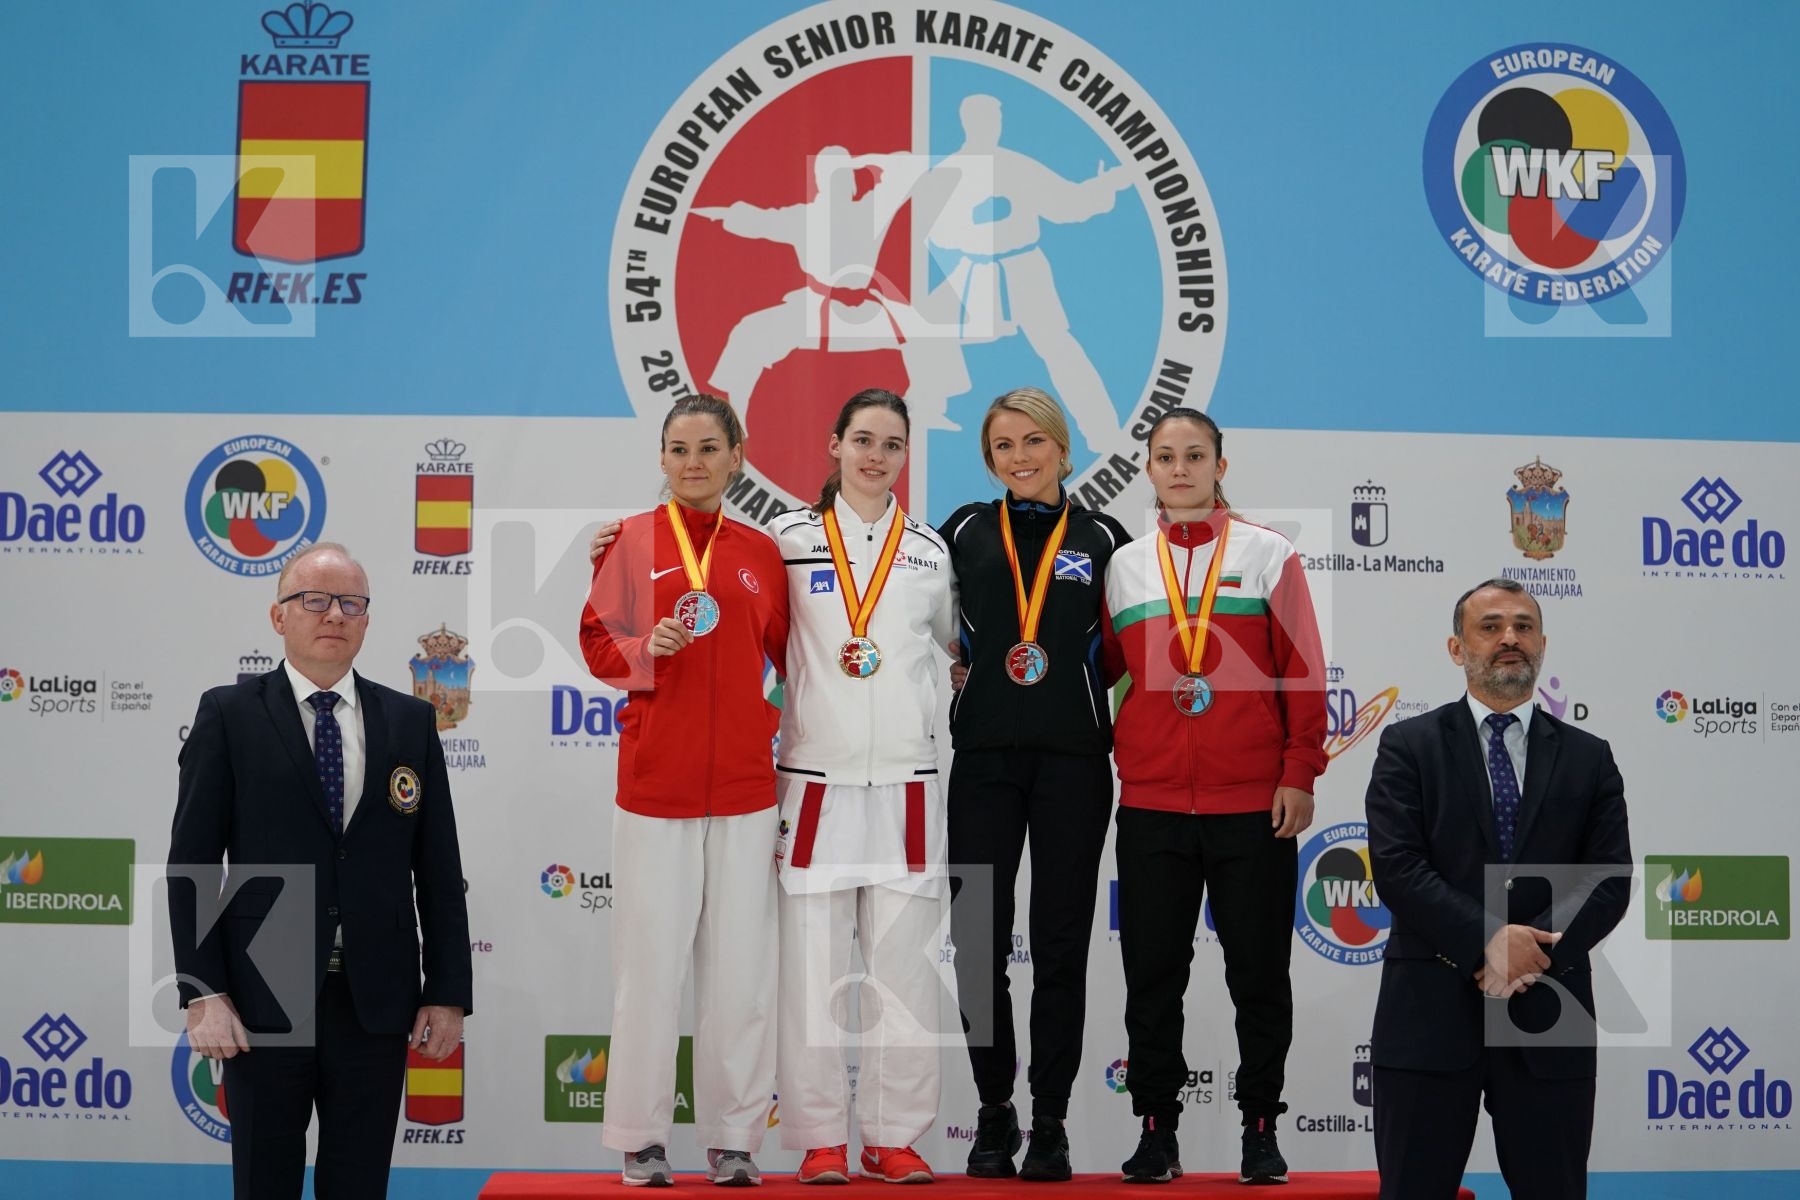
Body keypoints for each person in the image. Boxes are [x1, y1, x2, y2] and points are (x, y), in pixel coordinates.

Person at [169, 543, 472, 1200]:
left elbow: (439, 868)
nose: (333, 614)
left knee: (359, 1184)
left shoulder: (411, 720)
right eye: (314, 599)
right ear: (279, 617)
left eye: (350, 603)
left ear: (366, 619)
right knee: (264, 1182)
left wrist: (446, 991)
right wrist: (201, 991)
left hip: (377, 999)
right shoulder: (229, 714)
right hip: (261, 993)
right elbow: (190, 863)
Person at [1101, 408, 1327, 1185]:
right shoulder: (1127, 564)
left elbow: (1304, 674)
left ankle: (1260, 1128)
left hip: (1251, 804)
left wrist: (1299, 771)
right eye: (1166, 456)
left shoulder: (1269, 555)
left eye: (1195, 455)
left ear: (1220, 465)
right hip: (1154, 804)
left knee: (1259, 977)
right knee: (1153, 980)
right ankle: (1156, 1131)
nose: (1181, 468)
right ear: (1150, 470)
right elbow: (1095, 671)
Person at [578, 394, 791, 1188]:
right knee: (649, 970)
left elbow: (792, 662)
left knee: (741, 974)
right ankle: (641, 1135)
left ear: (737, 455)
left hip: (744, 788)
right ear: (662, 459)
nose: (694, 462)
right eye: (678, 449)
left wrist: (755, 722)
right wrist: (644, 648)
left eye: (709, 448)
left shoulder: (762, 552)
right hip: (655, 787)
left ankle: (735, 1138)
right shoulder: (630, 540)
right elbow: (597, 642)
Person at [1364, 578, 1631, 1200]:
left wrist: (1531, 956)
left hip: (1548, 1010)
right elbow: (1399, 867)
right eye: (1490, 627)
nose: (1509, 638)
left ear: (1542, 644)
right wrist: (1489, 942)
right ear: (1457, 649)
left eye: (1522, 626)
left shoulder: (1590, 757)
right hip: (1429, 1015)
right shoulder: (1409, 746)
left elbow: (1608, 877)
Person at [765, 388, 958, 1185]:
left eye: (892, 444)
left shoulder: (930, 550)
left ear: (906, 455)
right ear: (835, 445)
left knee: (905, 968)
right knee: (809, 967)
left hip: (908, 788)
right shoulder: (787, 541)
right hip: (815, 784)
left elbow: (951, 648)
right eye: (863, 440)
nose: (876, 456)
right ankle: (817, 1135)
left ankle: (893, 1135)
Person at [937, 387, 1131, 1181]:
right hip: (982, 762)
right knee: (978, 941)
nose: (1019, 457)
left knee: (1060, 947)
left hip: (1074, 766)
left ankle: (1048, 1118)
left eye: (1032, 442)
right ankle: (993, 1108)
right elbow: (918, 619)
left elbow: (1124, 650)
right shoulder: (961, 531)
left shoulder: (1107, 537)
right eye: (1003, 446)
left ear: (1062, 446)